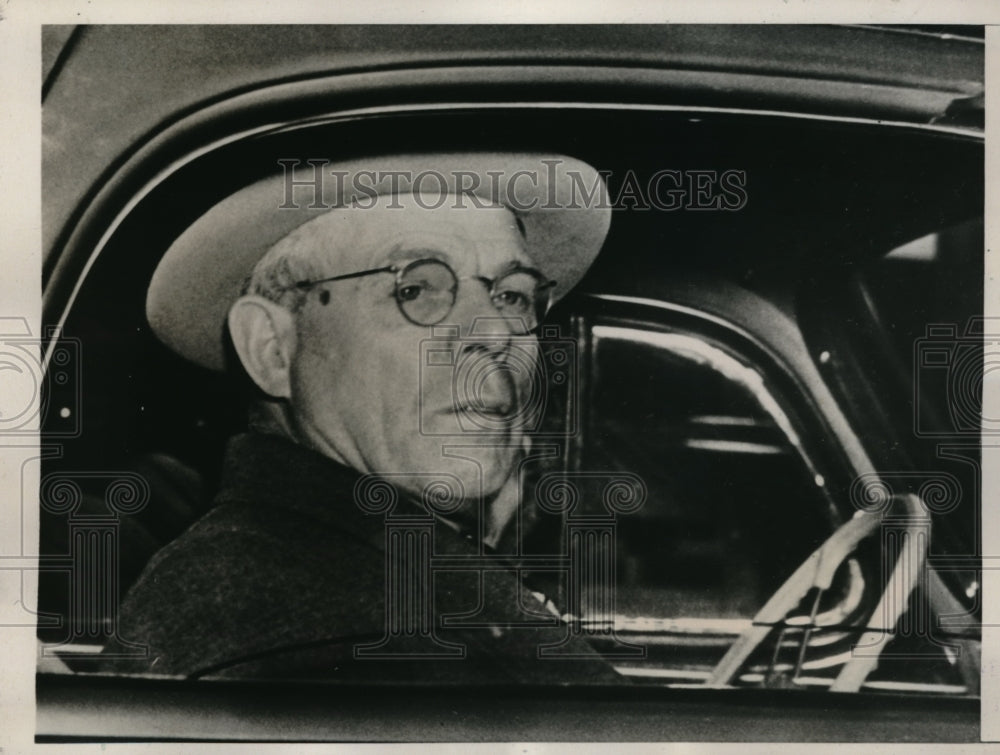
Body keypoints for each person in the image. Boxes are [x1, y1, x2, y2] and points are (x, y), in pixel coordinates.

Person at [102, 153, 622, 683]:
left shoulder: (358, 570)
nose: (495, 334)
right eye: (415, 290)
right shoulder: (281, 626)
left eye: (513, 295)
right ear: (273, 350)